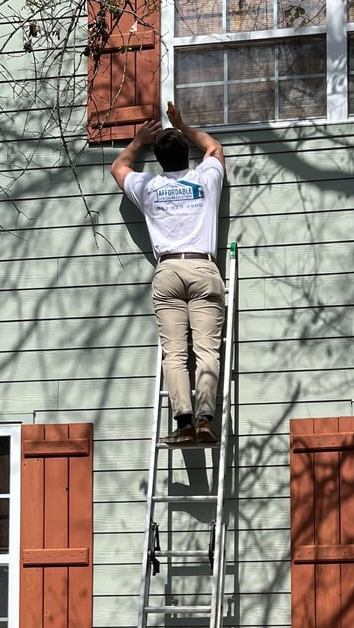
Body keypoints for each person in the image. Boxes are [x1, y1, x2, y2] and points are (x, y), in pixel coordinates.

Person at [111, 104, 226, 446]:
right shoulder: (204, 178)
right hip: (202, 266)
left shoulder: (148, 186)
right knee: (207, 350)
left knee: (174, 353)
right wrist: (184, 126)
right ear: (185, 155)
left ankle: (184, 422)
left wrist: (137, 141)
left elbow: (119, 168)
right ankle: (205, 420)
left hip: (168, 271)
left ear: (160, 159)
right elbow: (214, 148)